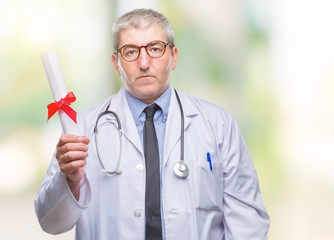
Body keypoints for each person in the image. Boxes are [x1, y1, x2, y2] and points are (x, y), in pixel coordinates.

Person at [35, 8, 270, 240]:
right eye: (130, 52)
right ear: (116, 63)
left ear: (174, 57)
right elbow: (50, 222)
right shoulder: (82, 130)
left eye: (155, 49)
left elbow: (248, 224)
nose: (144, 62)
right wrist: (70, 181)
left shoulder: (218, 125)